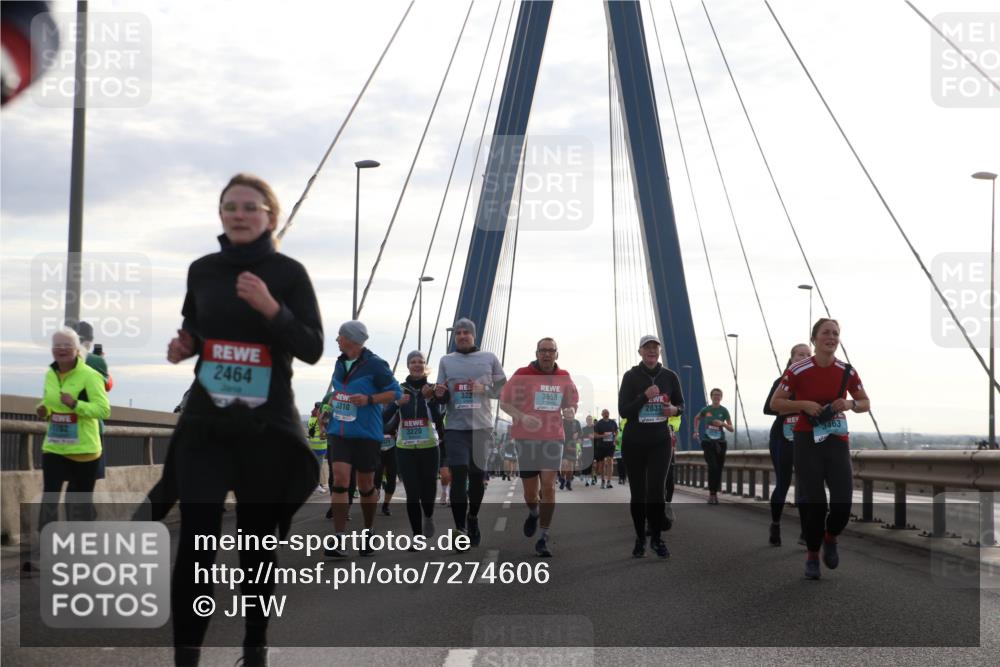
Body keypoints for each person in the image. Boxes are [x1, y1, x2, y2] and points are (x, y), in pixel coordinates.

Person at [160, 173, 323, 666]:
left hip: (265, 433)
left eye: (250, 207)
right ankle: (186, 657)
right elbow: (195, 328)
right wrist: (186, 347)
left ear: (270, 216)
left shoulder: (289, 274)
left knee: (257, 548)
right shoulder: (203, 271)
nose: (239, 213)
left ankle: (255, 644)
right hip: (208, 428)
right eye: (230, 206)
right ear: (221, 215)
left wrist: (271, 308)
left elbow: (312, 347)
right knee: (197, 542)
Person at [770, 318, 869, 580]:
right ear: (814, 339)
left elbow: (865, 402)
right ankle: (813, 554)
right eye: (826, 332)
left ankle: (831, 536)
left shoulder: (846, 371)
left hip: (837, 442)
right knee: (815, 505)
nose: (832, 337)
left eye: (836, 333)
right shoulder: (798, 369)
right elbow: (776, 403)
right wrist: (803, 404)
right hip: (806, 441)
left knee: (843, 503)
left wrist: (849, 405)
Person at [322, 320, 402, 557]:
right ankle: (338, 538)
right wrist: (331, 408)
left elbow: (395, 392)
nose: (337, 340)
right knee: (340, 480)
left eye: (340, 336)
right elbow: (339, 392)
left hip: (366, 433)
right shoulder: (339, 363)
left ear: (351, 339)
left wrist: (369, 400)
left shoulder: (376, 364)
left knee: (366, 486)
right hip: (340, 432)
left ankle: (368, 533)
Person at [429, 318, 506, 548]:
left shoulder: (489, 358)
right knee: (459, 473)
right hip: (455, 428)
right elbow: (441, 396)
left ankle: (473, 517)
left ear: (474, 336)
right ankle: (460, 528)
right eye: (458, 333)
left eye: (466, 333)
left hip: (481, 428)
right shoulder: (446, 360)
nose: (462, 336)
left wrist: (486, 388)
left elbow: (503, 388)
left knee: (476, 478)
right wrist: (439, 393)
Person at [500, 337, 579, 557]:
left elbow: (571, 402)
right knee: (530, 494)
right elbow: (504, 402)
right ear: (536, 353)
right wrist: (522, 417)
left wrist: (571, 410)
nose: (546, 354)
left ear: (556, 353)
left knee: (549, 487)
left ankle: (543, 537)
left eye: (550, 350)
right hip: (526, 439)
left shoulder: (564, 377)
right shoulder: (522, 374)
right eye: (542, 351)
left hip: (553, 437)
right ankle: (534, 513)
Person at [34, 327, 111, 536]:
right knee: (49, 497)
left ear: (77, 350)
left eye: (67, 345)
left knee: (78, 504)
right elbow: (51, 401)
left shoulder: (90, 375)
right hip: (55, 447)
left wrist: (75, 404)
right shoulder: (50, 373)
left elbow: (104, 410)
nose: (61, 349)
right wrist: (44, 409)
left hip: (84, 450)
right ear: (52, 350)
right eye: (57, 345)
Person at [618, 334, 683, 558]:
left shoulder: (670, 376)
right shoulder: (631, 377)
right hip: (634, 441)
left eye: (655, 348)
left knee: (656, 491)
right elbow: (624, 411)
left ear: (659, 352)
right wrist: (644, 396)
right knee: (638, 494)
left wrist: (674, 410)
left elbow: (681, 404)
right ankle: (639, 538)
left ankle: (656, 538)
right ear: (640, 352)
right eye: (647, 348)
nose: (651, 352)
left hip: (660, 441)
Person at [383, 350, 447, 542]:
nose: (417, 364)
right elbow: (383, 419)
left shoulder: (434, 388)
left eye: (420, 361)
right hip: (404, 449)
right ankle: (417, 536)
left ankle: (428, 515)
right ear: (408, 365)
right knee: (412, 493)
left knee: (428, 492)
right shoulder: (399, 389)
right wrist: (396, 403)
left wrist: (431, 400)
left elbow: (439, 421)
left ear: (425, 365)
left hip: (429, 448)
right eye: (413, 361)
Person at [763, 343, 811, 546]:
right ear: (791, 359)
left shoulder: (813, 384)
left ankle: (805, 532)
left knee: (805, 485)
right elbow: (768, 408)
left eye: (808, 355)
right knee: (783, 483)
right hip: (781, 438)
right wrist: (798, 407)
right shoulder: (781, 382)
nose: (804, 357)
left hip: (805, 438)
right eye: (800, 354)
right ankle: (775, 524)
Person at [692, 388, 734, 505]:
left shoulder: (724, 411)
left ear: (721, 397)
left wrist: (723, 424)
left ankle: (714, 494)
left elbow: (731, 429)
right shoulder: (706, 409)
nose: (716, 397)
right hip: (708, 442)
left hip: (720, 443)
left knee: (719, 469)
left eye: (719, 395)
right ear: (711, 397)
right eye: (714, 395)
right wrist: (696, 431)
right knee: (713, 467)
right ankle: (712, 494)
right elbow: (697, 418)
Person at [375, 408, 398, 516]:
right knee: (377, 474)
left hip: (393, 447)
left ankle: (386, 505)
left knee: (391, 477)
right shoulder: (375, 406)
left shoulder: (397, 409)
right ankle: (376, 493)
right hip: (377, 447)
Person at [594, 409, 618, 489]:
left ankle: (609, 481)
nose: (606, 414)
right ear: (602, 414)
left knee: (610, 461)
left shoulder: (613, 422)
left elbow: (616, 431)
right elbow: (595, 435)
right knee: (602, 464)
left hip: (611, 445)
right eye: (604, 413)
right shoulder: (599, 424)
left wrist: (615, 438)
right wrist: (603, 436)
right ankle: (603, 480)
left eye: (607, 413)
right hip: (601, 446)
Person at [308, 402, 328, 493]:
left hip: (312, 445)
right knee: (318, 467)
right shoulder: (321, 419)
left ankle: (313, 484)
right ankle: (316, 485)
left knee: (313, 466)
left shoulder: (311, 418)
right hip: (320, 446)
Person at [560, 413, 581, 491]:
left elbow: (581, 433)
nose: (570, 418)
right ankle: (562, 479)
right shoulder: (561, 422)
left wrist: (578, 435)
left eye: (571, 416)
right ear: (564, 416)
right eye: (568, 416)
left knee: (571, 467)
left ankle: (568, 482)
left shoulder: (577, 423)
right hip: (563, 446)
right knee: (564, 466)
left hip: (572, 446)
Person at [580, 415, 595, 486]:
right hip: (585, 449)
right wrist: (580, 441)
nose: (589, 421)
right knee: (586, 463)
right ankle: (587, 479)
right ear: (586, 421)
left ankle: (592, 478)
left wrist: (594, 437)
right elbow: (580, 439)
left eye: (590, 419)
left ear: (592, 420)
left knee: (593, 465)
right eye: (588, 419)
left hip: (593, 449)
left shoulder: (595, 428)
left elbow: (599, 436)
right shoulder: (583, 429)